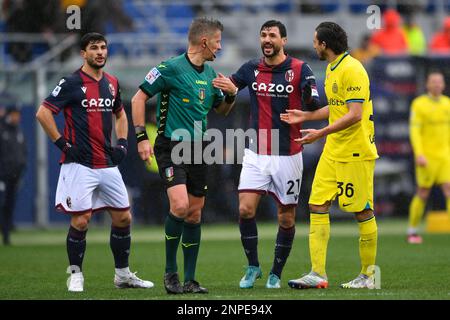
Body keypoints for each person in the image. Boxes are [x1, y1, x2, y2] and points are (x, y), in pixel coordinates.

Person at [35, 32, 154, 292]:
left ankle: (122, 275)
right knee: (81, 221)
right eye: (94, 48)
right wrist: (62, 144)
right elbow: (43, 113)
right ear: (83, 53)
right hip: (80, 165)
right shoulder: (70, 82)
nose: (100, 52)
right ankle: (75, 274)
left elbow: (120, 115)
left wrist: (122, 143)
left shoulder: (111, 82)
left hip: (107, 164)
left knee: (124, 217)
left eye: (103, 47)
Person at [131, 17, 236, 294]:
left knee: (194, 214)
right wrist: (142, 137)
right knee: (179, 206)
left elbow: (221, 111)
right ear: (204, 42)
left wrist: (231, 95)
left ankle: (190, 280)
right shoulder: (170, 68)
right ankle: (170, 273)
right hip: (171, 147)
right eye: (217, 41)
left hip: (199, 149)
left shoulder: (212, 75)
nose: (220, 47)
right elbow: (138, 98)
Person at [212, 20, 320, 289]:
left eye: (272, 35)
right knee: (245, 209)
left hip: (288, 154)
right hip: (256, 152)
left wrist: (308, 98)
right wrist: (228, 93)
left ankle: (276, 272)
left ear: (283, 40)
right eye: (263, 35)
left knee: (286, 217)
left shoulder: (299, 69)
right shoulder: (251, 68)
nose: (267, 39)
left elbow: (314, 102)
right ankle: (253, 267)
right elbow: (227, 102)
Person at [281, 22, 379, 289]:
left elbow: (355, 114)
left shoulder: (353, 69)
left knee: (361, 210)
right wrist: (307, 115)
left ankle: (369, 276)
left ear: (324, 44)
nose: (313, 45)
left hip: (355, 152)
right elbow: (337, 108)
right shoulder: (333, 69)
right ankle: (318, 273)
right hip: (334, 151)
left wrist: (318, 133)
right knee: (317, 204)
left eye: (315, 41)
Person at [407, 71, 450, 244]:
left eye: (440, 82)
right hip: (427, 156)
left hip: (445, 156)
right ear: (427, 84)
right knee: (423, 192)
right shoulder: (419, 104)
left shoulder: (447, 104)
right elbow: (415, 131)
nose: (437, 85)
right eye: (433, 82)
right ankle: (412, 230)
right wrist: (419, 154)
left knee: (448, 189)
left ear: (444, 85)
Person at [0, 105, 27, 245]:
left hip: (14, 176)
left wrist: (22, 166)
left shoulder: (18, 131)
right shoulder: (2, 130)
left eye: (18, 114)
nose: (17, 117)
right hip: (2, 176)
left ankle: (6, 234)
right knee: (3, 204)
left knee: (9, 205)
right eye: (14, 114)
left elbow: (23, 152)